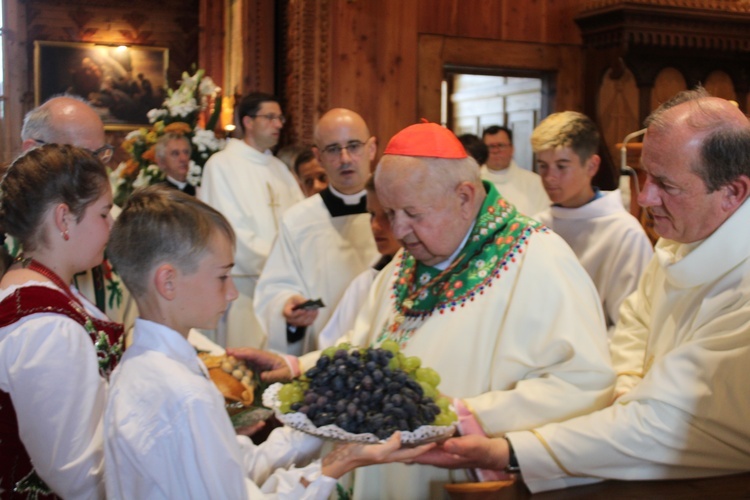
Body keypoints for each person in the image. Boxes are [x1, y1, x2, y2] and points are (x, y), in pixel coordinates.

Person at [238, 122, 614, 499]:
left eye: (412, 214)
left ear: (465, 196)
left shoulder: (539, 259)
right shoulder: (407, 261)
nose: (398, 230)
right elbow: (364, 348)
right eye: (389, 212)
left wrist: (468, 415)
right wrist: (297, 366)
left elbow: (583, 384)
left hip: (460, 478)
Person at [414, 89, 750, 492]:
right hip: (626, 436)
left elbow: (671, 423)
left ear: (733, 192)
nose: (644, 198)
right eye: (643, 175)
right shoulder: (679, 240)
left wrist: (514, 450)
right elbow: (633, 332)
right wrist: (623, 391)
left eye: (665, 184)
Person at [104, 185, 431, 498]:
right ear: (168, 281)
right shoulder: (184, 395)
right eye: (221, 277)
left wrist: (317, 424)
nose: (232, 293)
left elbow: (234, 468)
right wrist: (335, 467)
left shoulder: (140, 369)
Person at [0, 144, 125, 498]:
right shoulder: (47, 326)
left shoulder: (33, 281)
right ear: (64, 219)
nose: (111, 226)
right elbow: (80, 475)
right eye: (103, 214)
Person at [254, 108, 379, 355]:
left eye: (353, 146)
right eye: (333, 149)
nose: (345, 158)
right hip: (322, 357)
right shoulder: (299, 221)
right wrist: (288, 310)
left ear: (371, 149)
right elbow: (275, 290)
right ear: (318, 157)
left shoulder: (397, 212)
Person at [18, 94, 135, 330]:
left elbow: (134, 320)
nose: (96, 172)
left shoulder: (117, 225)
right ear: (32, 151)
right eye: (81, 157)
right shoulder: (9, 221)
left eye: (101, 155)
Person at [531, 111, 653, 336]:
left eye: (561, 166)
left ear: (591, 166)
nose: (549, 177)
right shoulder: (536, 227)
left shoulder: (624, 233)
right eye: (543, 166)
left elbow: (630, 326)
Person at [199, 92, 304, 348]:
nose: (279, 124)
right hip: (245, 288)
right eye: (270, 117)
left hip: (285, 289)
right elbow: (230, 232)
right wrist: (282, 262)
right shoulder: (221, 165)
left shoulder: (279, 169)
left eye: (280, 118)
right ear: (247, 121)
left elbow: (301, 223)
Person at [317, 175, 400, 349]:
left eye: (386, 215)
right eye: (371, 214)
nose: (375, 226)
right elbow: (330, 349)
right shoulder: (366, 283)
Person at [481, 125, 550, 216]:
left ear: (512, 149)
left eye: (501, 145)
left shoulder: (535, 182)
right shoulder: (475, 181)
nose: (496, 151)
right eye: (490, 147)